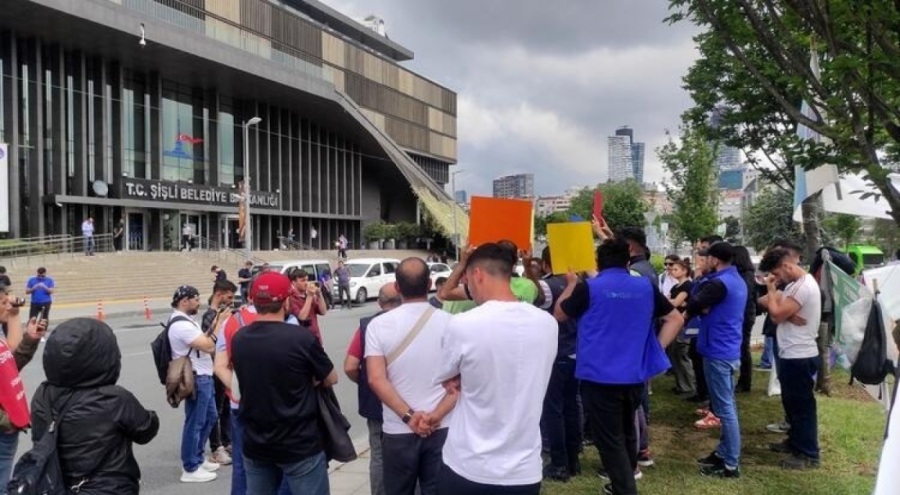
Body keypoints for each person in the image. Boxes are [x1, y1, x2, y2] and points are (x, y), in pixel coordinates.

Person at [555, 238, 683, 495]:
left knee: (609, 440)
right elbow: (675, 318)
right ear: (627, 261)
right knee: (626, 432)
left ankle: (625, 489)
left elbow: (560, 314)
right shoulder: (645, 286)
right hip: (634, 375)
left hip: (599, 377)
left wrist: (570, 284)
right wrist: (655, 349)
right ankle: (623, 483)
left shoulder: (589, 288)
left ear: (597, 263)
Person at [434, 243, 558, 495]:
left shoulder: (463, 325)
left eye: (467, 281)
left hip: (468, 464)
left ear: (477, 275)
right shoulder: (547, 324)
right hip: (523, 470)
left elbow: (448, 379)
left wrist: (461, 376)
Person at [232, 272, 338, 494]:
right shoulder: (300, 337)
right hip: (299, 442)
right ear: (286, 300)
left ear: (252, 300)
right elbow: (331, 378)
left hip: (256, 440)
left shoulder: (240, 338)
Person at [31, 318, 159, 494]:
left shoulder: (43, 393)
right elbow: (145, 430)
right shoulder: (113, 398)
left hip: (55, 484)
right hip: (108, 487)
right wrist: (151, 417)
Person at [366, 258, 454, 495]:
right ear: (429, 284)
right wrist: (434, 416)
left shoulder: (378, 326)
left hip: (398, 429)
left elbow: (376, 378)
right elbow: (461, 383)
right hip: (443, 426)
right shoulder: (452, 323)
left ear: (396, 286)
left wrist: (410, 417)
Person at [686, 242, 746, 479]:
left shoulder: (718, 283)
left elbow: (693, 301)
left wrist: (699, 278)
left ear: (715, 259)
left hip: (718, 351)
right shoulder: (735, 279)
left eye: (706, 258)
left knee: (725, 410)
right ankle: (723, 453)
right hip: (726, 348)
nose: (703, 261)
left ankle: (731, 464)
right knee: (725, 405)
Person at [759, 248, 822, 470]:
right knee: (791, 404)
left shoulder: (803, 286)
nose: (776, 278)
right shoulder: (793, 285)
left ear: (787, 265)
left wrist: (776, 300)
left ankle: (808, 453)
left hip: (800, 355)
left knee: (802, 407)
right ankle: (795, 442)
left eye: (777, 273)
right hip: (790, 353)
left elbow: (775, 314)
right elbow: (764, 301)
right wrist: (787, 312)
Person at [344, 284, 402, 495]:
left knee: (378, 455)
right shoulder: (415, 322)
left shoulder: (367, 326)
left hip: (377, 401)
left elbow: (350, 366)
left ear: (379, 302)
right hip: (409, 400)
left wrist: (368, 382)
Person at [537, 246, 581, 482]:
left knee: (553, 412)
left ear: (545, 264)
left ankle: (559, 463)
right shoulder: (582, 285)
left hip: (555, 354)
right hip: (576, 353)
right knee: (572, 407)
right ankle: (574, 461)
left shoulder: (546, 286)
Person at [168, 285, 220, 483]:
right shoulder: (181, 324)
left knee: (210, 417)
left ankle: (197, 457)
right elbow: (208, 345)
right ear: (184, 301)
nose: (199, 302)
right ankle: (190, 468)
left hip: (204, 375)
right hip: (197, 377)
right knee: (195, 422)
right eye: (195, 299)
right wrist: (219, 327)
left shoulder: (188, 320)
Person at [0, 285, 45, 495]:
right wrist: (6, 421)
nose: (8, 306)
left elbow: (9, 366)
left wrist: (30, 340)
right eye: (3, 303)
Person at [201, 280, 238, 466]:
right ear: (219, 294)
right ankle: (216, 447)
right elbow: (209, 342)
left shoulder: (225, 314)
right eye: (229, 297)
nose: (232, 301)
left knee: (225, 408)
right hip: (213, 369)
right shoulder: (210, 316)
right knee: (214, 410)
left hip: (225, 366)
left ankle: (227, 440)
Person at [732, 245, 759, 393]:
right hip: (745, 314)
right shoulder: (745, 274)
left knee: (743, 347)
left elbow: (745, 297)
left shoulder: (746, 275)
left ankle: (745, 381)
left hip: (745, 315)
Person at [667, 258, 695, 396]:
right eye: (672, 269)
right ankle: (681, 384)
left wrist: (671, 301)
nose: (672, 271)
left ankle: (689, 385)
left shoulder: (688, 286)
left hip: (685, 324)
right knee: (674, 354)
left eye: (675, 269)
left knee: (682, 354)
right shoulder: (675, 287)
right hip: (675, 323)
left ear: (684, 271)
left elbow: (675, 303)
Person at [288, 268, 328, 344]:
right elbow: (302, 317)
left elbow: (323, 311)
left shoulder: (309, 295)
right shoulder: (291, 298)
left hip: (315, 338)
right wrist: (309, 296)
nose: (306, 283)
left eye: (307, 280)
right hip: (301, 340)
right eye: (302, 280)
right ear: (293, 282)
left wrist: (319, 295)